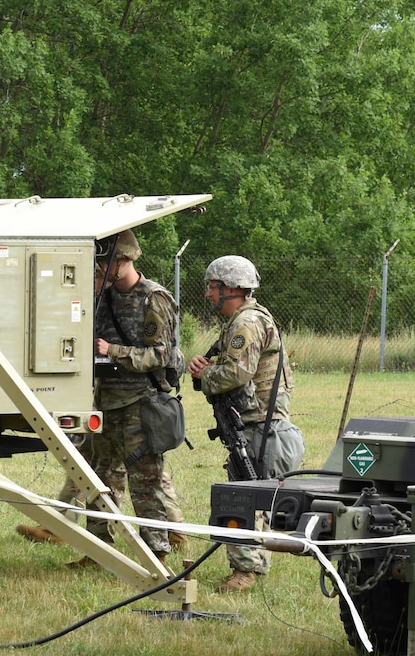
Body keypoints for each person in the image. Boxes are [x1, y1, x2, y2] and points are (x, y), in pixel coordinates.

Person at [17, 231, 187, 562]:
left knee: (145, 486)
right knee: (99, 481)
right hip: (106, 403)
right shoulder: (103, 297)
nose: (98, 267)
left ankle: (157, 554)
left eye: (103, 261)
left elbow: (161, 356)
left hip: (142, 405)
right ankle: (97, 551)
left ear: (123, 260)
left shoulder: (154, 298)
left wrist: (115, 351)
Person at [188, 254, 305, 593]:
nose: (209, 295)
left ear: (232, 289)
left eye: (213, 287)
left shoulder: (246, 324)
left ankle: (246, 571)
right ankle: (249, 567)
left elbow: (237, 373)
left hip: (258, 428)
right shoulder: (244, 321)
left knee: (243, 498)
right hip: (254, 424)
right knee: (248, 495)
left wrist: (204, 373)